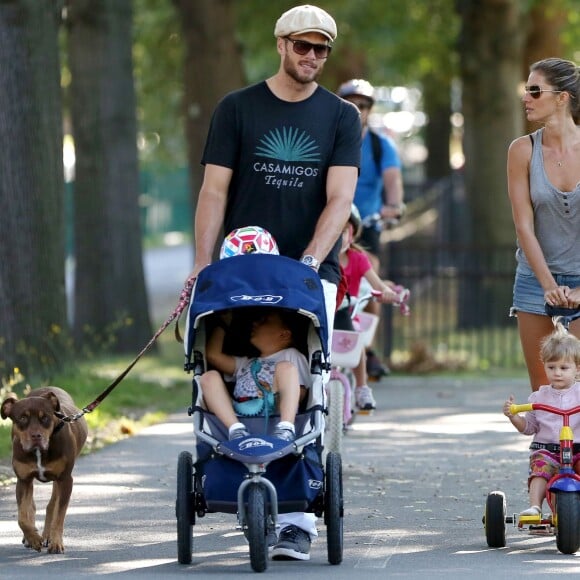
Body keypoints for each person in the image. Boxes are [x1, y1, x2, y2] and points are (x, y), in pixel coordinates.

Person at [189, 4, 361, 562]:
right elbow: (215, 192)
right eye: (303, 46)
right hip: (241, 274)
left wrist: (310, 260)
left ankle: (294, 517)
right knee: (222, 364)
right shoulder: (237, 108)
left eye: (322, 49)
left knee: (307, 373)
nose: (313, 57)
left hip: (310, 275)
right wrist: (201, 265)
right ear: (281, 44)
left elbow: (340, 199)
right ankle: (231, 471)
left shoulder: (339, 117)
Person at [507, 57, 580, 392]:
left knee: (576, 381)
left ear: (562, 97)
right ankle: (547, 447)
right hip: (535, 281)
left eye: (535, 91)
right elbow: (524, 226)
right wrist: (548, 284)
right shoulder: (522, 150)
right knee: (544, 385)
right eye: (526, 90)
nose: (526, 98)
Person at [337, 78, 406, 379]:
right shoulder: (331, 139)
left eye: (363, 105)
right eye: (351, 103)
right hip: (332, 222)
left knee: (368, 282)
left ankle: (366, 348)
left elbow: (392, 181)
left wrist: (394, 205)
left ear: (370, 110)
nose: (358, 109)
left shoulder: (380, 145)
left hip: (365, 225)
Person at [503, 327, 580, 517]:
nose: (557, 373)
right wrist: (514, 417)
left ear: (577, 368)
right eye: (551, 367)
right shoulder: (539, 397)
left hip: (577, 449)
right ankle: (535, 506)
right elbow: (529, 427)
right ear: (544, 366)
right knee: (539, 471)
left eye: (564, 368)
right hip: (547, 451)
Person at [201, 310, 310, 442]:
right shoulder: (247, 363)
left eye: (264, 321)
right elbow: (213, 356)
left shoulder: (291, 355)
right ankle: (235, 429)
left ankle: (286, 427)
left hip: (275, 411)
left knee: (285, 368)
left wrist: (273, 395)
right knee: (209, 377)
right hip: (238, 413)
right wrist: (223, 323)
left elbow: (300, 392)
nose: (255, 323)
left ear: (284, 334)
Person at [334, 205, 399, 410]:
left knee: (356, 343)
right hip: (323, 310)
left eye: (343, 232)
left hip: (345, 309)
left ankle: (362, 387)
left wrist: (386, 292)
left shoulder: (358, 259)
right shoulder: (322, 257)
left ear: (352, 234)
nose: (338, 237)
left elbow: (376, 283)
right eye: (333, 230)